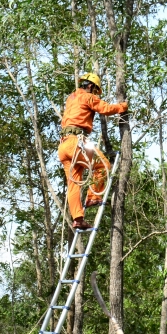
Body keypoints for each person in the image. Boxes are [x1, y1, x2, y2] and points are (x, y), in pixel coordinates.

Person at [58, 72, 128, 231]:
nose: (95, 94)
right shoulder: (87, 97)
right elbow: (106, 108)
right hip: (77, 142)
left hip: (63, 145)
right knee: (103, 165)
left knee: (73, 184)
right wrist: (123, 106)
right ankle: (93, 196)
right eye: (95, 90)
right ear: (90, 86)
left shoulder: (72, 97)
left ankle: (77, 219)